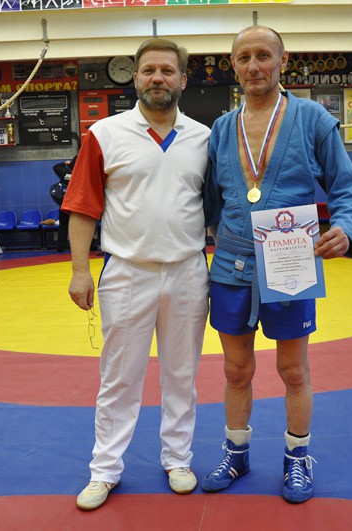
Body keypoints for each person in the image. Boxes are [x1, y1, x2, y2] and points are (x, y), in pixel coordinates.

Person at [200, 26, 352, 504]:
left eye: (263, 56)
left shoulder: (313, 118)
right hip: (232, 263)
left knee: (293, 371)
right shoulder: (221, 128)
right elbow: (206, 200)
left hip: (290, 258)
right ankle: (236, 452)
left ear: (283, 60)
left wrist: (347, 227)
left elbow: (346, 187)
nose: (254, 66)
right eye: (244, 57)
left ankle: (297, 457)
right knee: (235, 370)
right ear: (233, 65)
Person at [62, 37, 210, 511]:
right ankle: (104, 469)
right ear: (136, 78)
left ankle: (178, 459)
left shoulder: (204, 137)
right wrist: (80, 271)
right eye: (148, 70)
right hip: (126, 271)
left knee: (182, 374)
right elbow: (83, 207)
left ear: (182, 79)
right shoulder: (105, 134)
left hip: (188, 270)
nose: (157, 78)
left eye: (167, 70)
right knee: (119, 377)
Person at [51, 159, 74, 252]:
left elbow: (55, 167)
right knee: (82, 225)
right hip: (77, 203)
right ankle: (88, 246)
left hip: (65, 202)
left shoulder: (65, 173)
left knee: (63, 225)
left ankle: (61, 246)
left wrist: (65, 163)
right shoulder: (81, 173)